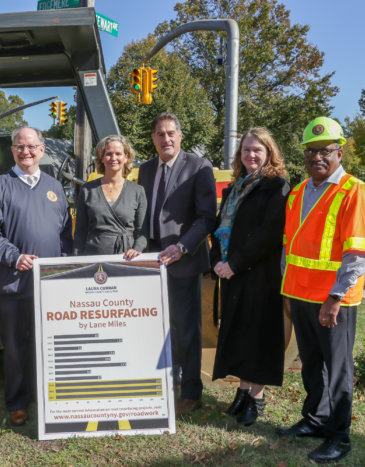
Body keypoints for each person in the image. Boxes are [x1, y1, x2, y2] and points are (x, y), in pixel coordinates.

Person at [277, 117, 365, 463]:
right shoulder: (298, 192)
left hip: (333, 300)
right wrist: (287, 290)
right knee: (311, 365)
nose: (317, 157)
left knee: (337, 370)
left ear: (340, 151)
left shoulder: (354, 191)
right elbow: (289, 245)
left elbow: (358, 254)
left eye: (325, 151)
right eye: (310, 151)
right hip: (300, 295)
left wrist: (334, 298)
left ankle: (340, 437)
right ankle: (316, 420)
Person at [0, 127, 72, 426]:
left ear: (42, 150)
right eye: (20, 146)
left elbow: (65, 236)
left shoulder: (55, 187)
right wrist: (15, 257)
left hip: (50, 286)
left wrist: (65, 267)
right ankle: (17, 402)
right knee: (16, 347)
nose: (26, 151)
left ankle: (46, 397)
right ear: (13, 151)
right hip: (14, 284)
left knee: (50, 345)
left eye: (32, 146)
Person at [137, 112, 216, 415]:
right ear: (153, 138)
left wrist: (182, 247)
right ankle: (164, 382)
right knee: (156, 326)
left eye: (171, 133)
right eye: (159, 134)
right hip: (151, 262)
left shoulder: (199, 167)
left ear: (180, 136)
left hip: (183, 259)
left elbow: (207, 216)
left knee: (187, 328)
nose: (165, 139)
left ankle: (192, 391)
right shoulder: (144, 170)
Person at [210, 127, 290, 426]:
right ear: (239, 155)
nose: (251, 155)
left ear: (269, 153)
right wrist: (218, 260)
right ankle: (242, 392)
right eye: (246, 150)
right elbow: (219, 228)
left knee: (259, 335)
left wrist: (235, 263)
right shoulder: (234, 188)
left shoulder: (277, 187)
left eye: (258, 149)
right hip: (233, 273)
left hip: (260, 274)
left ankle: (256, 397)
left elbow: (268, 234)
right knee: (240, 332)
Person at [73, 134, 147, 258]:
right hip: (94, 259)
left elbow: (141, 232)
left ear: (126, 157)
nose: (113, 158)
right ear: (101, 157)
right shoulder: (88, 190)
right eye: (108, 154)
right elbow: (80, 233)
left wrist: (136, 249)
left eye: (118, 153)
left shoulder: (137, 191)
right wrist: (77, 262)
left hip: (126, 259)